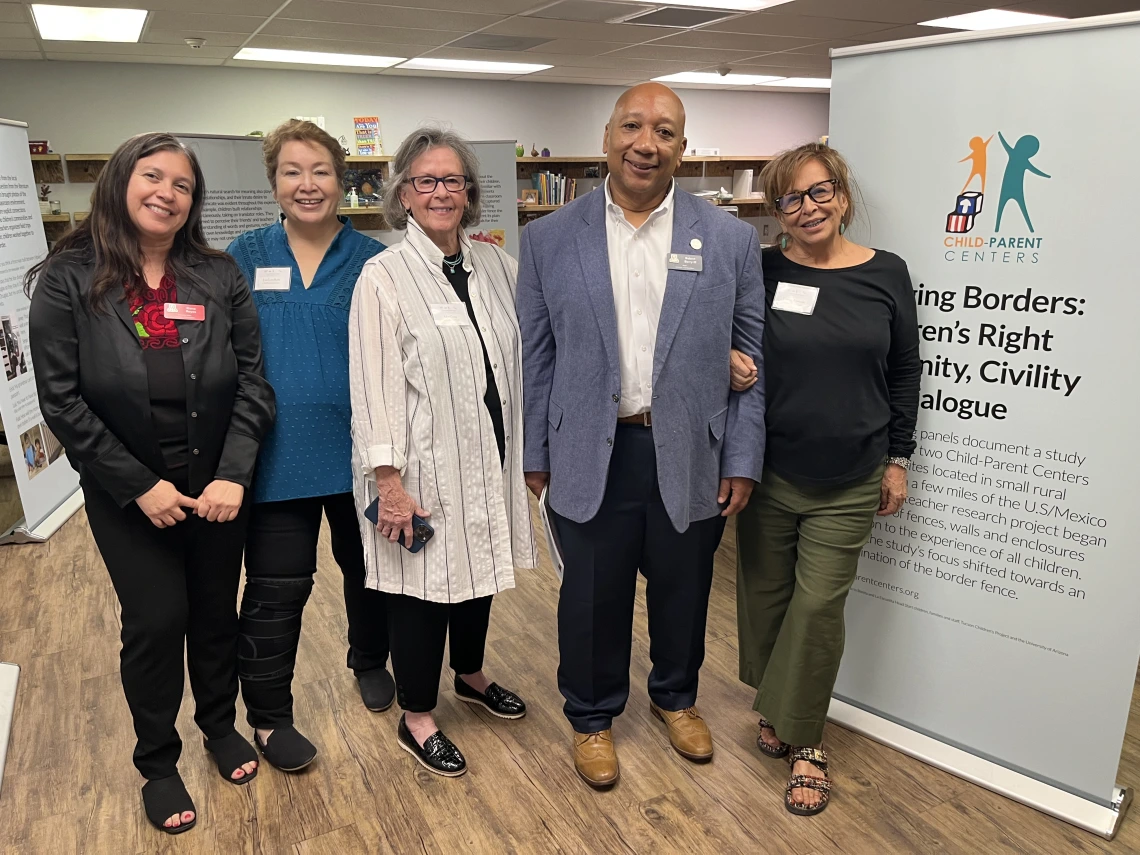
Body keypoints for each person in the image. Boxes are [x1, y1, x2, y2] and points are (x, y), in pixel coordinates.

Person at [517, 83, 767, 789]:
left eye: (665, 131)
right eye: (633, 125)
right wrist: (535, 451)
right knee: (591, 594)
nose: (646, 143)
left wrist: (742, 456)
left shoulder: (729, 239)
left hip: (691, 448)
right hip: (589, 447)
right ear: (607, 136)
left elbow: (754, 353)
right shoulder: (547, 238)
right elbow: (536, 355)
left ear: (682, 149)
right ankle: (592, 715)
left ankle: (676, 697)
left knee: (684, 587)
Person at [26, 133, 275, 834]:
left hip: (216, 487)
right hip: (127, 491)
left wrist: (232, 472)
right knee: (157, 621)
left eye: (183, 185)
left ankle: (220, 725)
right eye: (153, 175)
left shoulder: (218, 274)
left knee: (214, 613)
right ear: (120, 180)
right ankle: (158, 761)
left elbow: (254, 381)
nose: (167, 192)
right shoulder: (70, 277)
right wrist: (138, 484)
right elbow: (61, 399)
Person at [729, 142, 920, 816]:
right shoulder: (758, 269)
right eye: (791, 197)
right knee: (766, 599)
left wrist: (899, 456)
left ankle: (807, 740)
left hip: (852, 473)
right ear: (775, 209)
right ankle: (781, 701)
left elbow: (903, 370)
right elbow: (723, 335)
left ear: (841, 193)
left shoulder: (886, 273)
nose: (808, 207)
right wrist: (728, 357)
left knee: (818, 609)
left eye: (820, 192)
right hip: (769, 471)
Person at [349, 127, 536, 777]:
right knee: (423, 589)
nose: (440, 192)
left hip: (489, 455)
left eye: (452, 180)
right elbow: (372, 386)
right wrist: (389, 483)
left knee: (478, 569)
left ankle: (473, 674)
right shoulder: (383, 275)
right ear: (402, 193)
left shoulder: (495, 265)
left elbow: (523, 353)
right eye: (425, 181)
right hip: (419, 467)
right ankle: (418, 714)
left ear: (469, 191)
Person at [226, 120, 393, 773]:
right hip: (275, 454)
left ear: (343, 178)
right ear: (274, 182)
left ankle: (369, 658)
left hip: (360, 452)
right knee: (275, 590)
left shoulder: (376, 261)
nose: (307, 184)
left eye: (320, 170)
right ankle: (269, 718)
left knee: (370, 573)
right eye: (292, 171)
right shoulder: (245, 254)